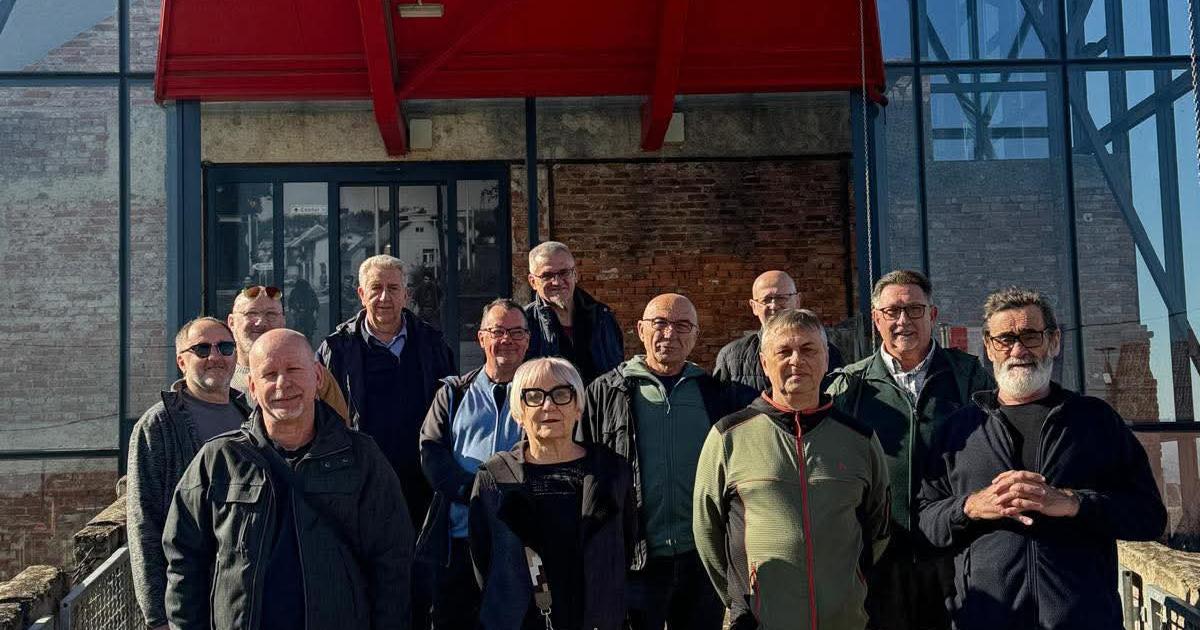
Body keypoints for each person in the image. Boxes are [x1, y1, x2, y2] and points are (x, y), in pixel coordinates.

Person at [917, 288, 1167, 630]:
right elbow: (925, 524)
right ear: (989, 347)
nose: (1018, 350)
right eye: (1005, 339)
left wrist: (1072, 503)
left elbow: (1149, 517)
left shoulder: (1095, 421)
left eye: (1030, 336)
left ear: (1054, 341)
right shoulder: (959, 431)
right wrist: (972, 506)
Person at [163, 329, 413, 630]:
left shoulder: (361, 458)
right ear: (252, 387)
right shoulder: (219, 460)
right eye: (269, 374)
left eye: (294, 369)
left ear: (317, 376)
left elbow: (392, 562)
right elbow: (184, 562)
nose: (283, 383)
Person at [694, 309, 890, 630]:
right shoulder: (728, 436)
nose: (796, 360)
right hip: (761, 621)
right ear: (764, 363)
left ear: (826, 360)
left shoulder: (860, 439)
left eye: (808, 350)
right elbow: (707, 531)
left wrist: (852, 582)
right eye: (783, 351)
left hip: (844, 619)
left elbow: (878, 526)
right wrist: (741, 599)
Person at [826, 269, 993, 630]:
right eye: (892, 311)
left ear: (932, 315)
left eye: (914, 310)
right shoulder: (849, 387)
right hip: (878, 563)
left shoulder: (969, 377)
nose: (903, 321)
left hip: (954, 555)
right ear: (876, 319)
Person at [579, 293, 727, 630]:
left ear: (696, 336)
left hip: (700, 559)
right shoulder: (605, 392)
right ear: (640, 329)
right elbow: (584, 471)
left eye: (682, 325)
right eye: (660, 323)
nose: (669, 333)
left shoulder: (714, 393)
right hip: (636, 559)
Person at [469, 358, 636, 630]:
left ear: (578, 407)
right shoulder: (495, 478)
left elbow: (624, 548)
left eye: (561, 394)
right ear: (518, 412)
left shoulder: (612, 472)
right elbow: (482, 562)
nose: (548, 405)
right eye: (534, 396)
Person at [127, 317, 250, 630]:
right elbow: (143, 521)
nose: (215, 356)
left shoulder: (250, 418)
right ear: (181, 361)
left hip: (245, 596)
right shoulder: (158, 426)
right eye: (202, 349)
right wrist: (157, 616)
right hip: (189, 600)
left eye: (225, 347)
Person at [318, 254, 456, 528]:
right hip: (361, 482)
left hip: (422, 482)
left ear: (406, 295)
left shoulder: (433, 344)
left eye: (393, 288)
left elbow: (452, 409)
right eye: (376, 288)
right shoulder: (337, 349)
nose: (384, 297)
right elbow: (320, 416)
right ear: (361, 294)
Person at [418, 299, 531, 630]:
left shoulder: (541, 394)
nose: (507, 340)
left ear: (528, 340)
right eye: (498, 331)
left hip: (519, 539)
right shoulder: (453, 393)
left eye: (516, 332)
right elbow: (431, 451)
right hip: (459, 540)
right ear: (481, 338)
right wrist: (475, 492)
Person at [715, 270, 844, 408]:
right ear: (754, 306)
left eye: (781, 298)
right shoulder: (731, 357)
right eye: (766, 300)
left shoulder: (823, 353)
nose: (774, 305)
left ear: (797, 300)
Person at [227, 284, 350, 422]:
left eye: (271, 314)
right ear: (231, 322)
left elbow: (340, 428)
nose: (261, 322)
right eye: (251, 313)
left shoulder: (313, 374)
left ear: (283, 321)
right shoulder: (219, 375)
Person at [523, 241, 624, 383]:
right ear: (533, 281)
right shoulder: (523, 323)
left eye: (564, 272)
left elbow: (617, 372)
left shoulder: (602, 317)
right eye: (547, 275)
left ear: (575, 274)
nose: (557, 282)